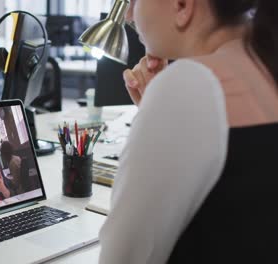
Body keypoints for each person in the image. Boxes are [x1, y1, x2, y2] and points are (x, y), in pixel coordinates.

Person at [99, 0, 278, 263]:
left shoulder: (190, 84)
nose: (128, 14)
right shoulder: (265, 67)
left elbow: (123, 256)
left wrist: (161, 106)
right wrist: (156, 114)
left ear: (182, 6)